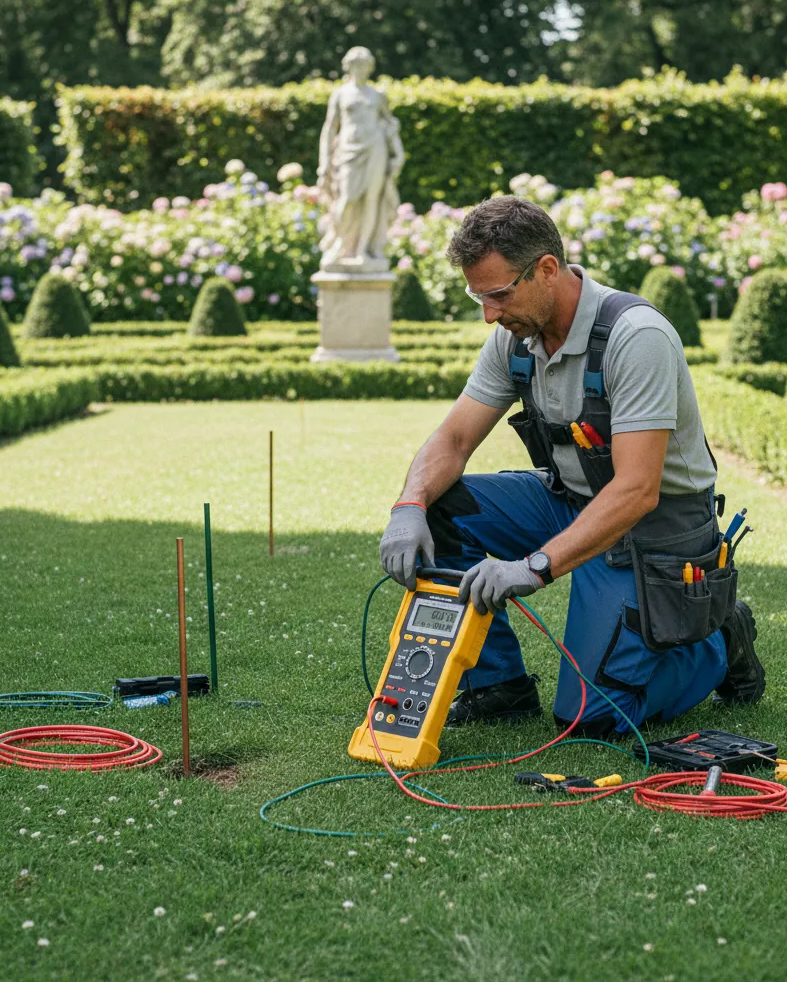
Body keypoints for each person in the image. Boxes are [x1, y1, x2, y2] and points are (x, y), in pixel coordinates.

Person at [379, 196, 764, 734]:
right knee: (441, 504)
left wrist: (534, 566)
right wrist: (408, 506)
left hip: (653, 530)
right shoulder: (514, 338)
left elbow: (636, 491)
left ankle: (719, 642)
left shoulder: (637, 338)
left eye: (497, 294)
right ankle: (497, 687)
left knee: (592, 719)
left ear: (547, 269)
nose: (489, 313)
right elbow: (453, 438)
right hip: (569, 502)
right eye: (477, 296)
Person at [316, 46, 404, 271]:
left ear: (370, 67)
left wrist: (398, 153)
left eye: (364, 64)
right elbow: (329, 129)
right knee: (346, 200)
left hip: (375, 149)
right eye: (356, 64)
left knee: (371, 199)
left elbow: (390, 125)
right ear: (348, 66)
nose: (360, 69)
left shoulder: (377, 95)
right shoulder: (340, 94)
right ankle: (341, 244)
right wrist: (324, 161)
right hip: (347, 150)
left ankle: (364, 249)